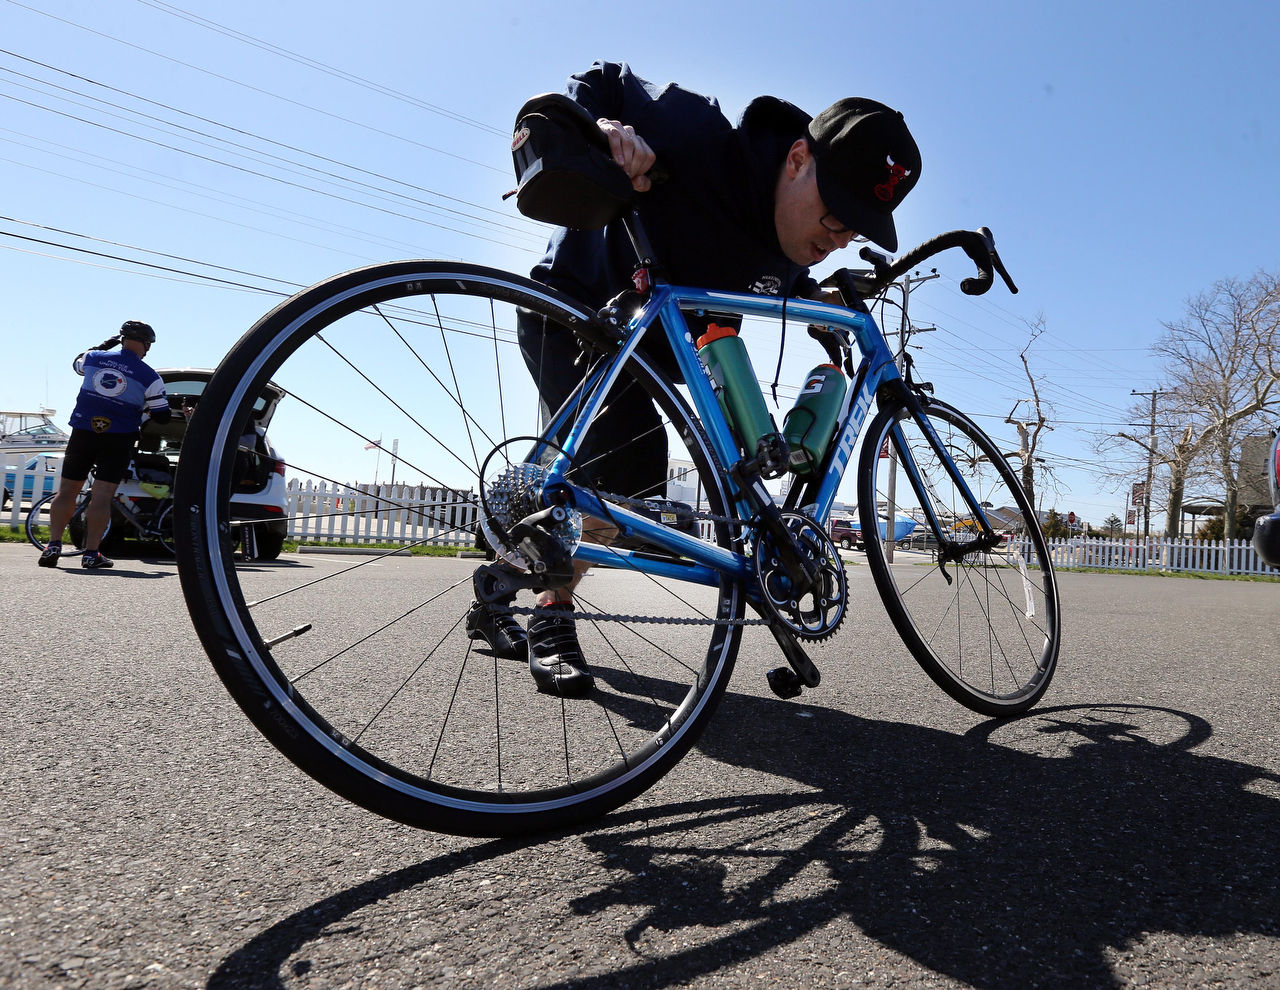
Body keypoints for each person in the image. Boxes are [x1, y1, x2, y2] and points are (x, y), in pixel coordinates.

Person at [467, 61, 922, 696]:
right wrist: (606, 127)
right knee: (600, 481)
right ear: (796, 159)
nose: (840, 237)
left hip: (652, 355)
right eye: (836, 212)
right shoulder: (705, 137)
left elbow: (769, 272)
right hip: (577, 313)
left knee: (633, 488)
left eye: (857, 228)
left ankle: (499, 593)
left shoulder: (789, 242)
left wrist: (817, 297)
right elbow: (604, 77)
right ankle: (551, 612)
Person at [38, 321, 170, 569]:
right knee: (102, 496)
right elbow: (162, 416)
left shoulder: (93, 358)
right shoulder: (150, 376)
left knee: (67, 491)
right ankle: (91, 554)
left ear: (121, 339)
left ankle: (53, 545)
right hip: (118, 438)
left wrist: (105, 344)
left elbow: (77, 360)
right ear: (147, 345)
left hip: (83, 432)